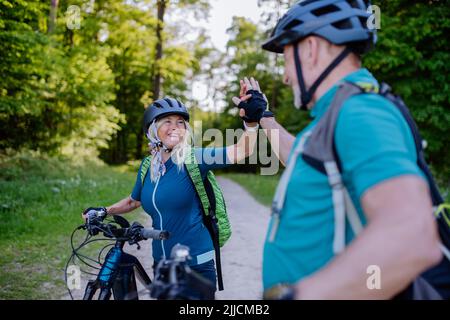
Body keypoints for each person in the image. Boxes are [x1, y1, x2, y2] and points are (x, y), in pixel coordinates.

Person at [236, 0, 448, 299]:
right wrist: (264, 116)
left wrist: (300, 296)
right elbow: (303, 158)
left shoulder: (360, 112)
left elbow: (412, 236)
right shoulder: (337, 113)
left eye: (285, 59)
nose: (285, 76)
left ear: (310, 48)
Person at [82, 92, 261, 299]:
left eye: (180, 122)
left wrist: (251, 122)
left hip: (195, 264)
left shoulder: (194, 158)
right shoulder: (148, 166)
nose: (175, 126)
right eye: (167, 121)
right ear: (152, 130)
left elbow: (241, 151)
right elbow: (134, 200)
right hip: (161, 263)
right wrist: (104, 211)